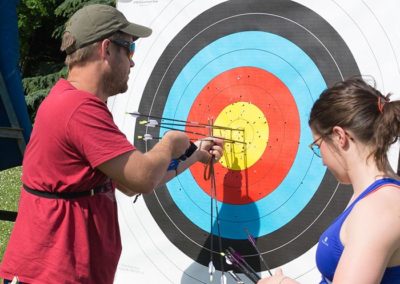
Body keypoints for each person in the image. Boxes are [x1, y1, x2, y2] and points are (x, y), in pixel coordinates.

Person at [0, 4, 223, 283]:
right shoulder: (79, 108)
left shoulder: (71, 100)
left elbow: (128, 184)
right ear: (106, 49)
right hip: (51, 275)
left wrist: (194, 155)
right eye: (129, 49)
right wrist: (171, 142)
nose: (132, 61)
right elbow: (141, 177)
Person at [258, 77, 400, 284]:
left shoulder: (379, 209)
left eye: (318, 145)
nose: (323, 159)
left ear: (339, 136)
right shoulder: (374, 198)